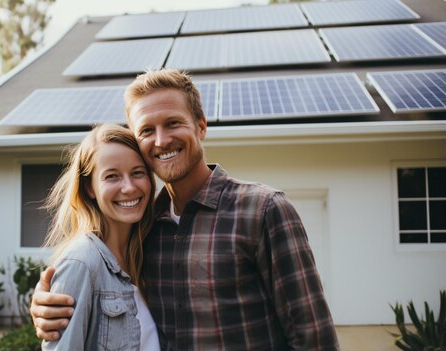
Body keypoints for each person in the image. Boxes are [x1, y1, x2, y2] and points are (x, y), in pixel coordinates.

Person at [31, 69, 340, 350]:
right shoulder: (146, 228)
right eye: (147, 130)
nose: (162, 140)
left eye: (173, 123)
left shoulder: (262, 210)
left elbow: (314, 336)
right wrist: (48, 305)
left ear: (201, 126)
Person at [39, 123, 160, 350]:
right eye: (112, 176)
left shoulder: (149, 253)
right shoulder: (82, 263)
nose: (129, 187)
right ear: (89, 188)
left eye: (137, 173)